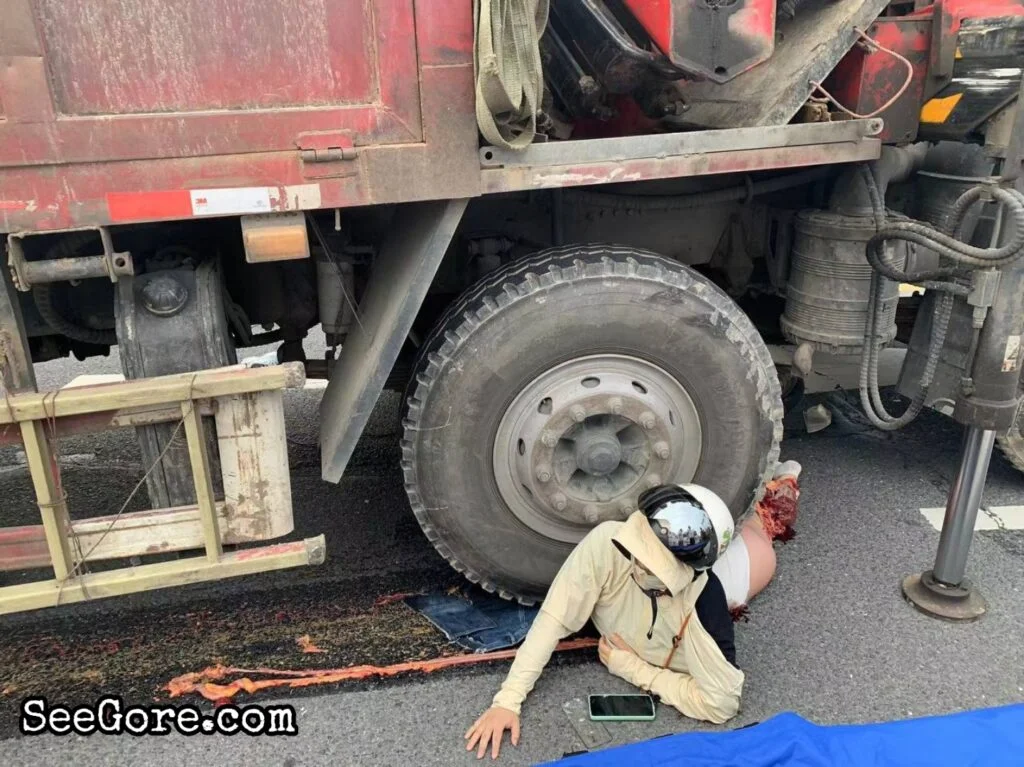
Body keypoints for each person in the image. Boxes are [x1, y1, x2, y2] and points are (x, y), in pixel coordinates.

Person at [464, 461, 802, 760]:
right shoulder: (609, 542)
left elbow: (722, 703)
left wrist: (634, 669)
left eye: (651, 564)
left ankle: (783, 481)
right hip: (702, 561)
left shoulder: (706, 603)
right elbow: (554, 618)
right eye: (640, 550)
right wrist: (506, 702)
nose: (638, 563)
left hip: (731, 578)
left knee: (763, 531)